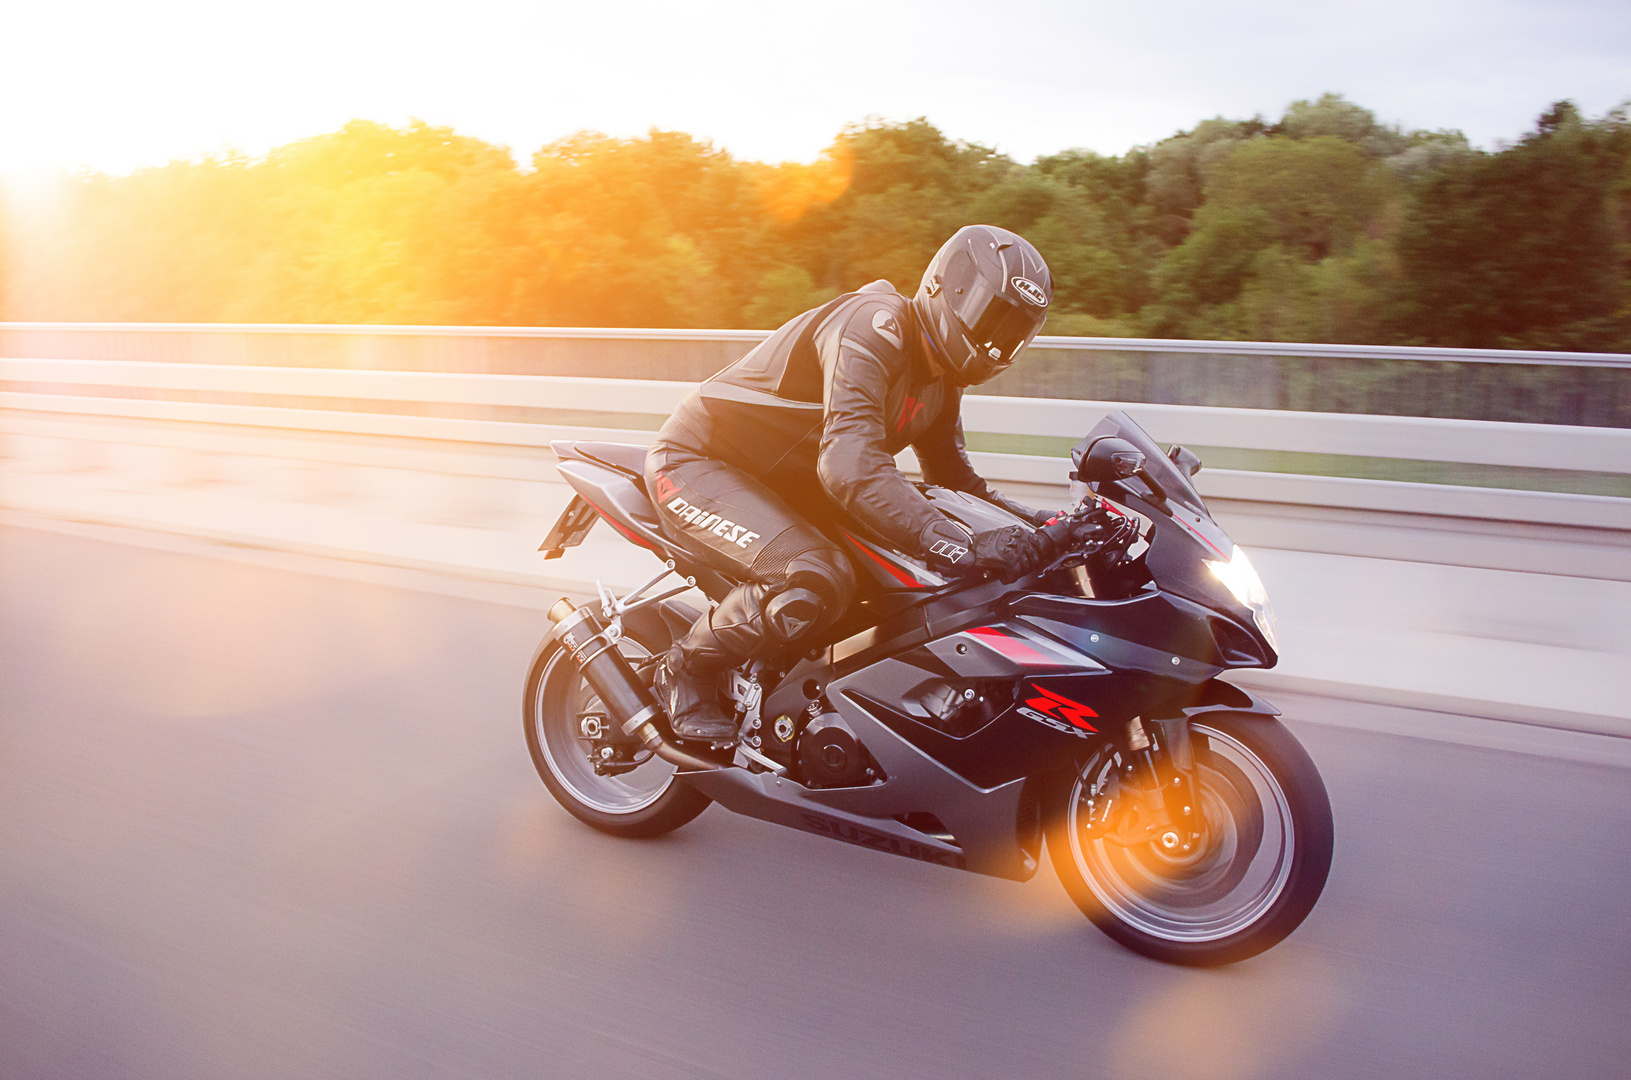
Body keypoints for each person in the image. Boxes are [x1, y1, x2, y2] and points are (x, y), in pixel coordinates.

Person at [645, 224, 1068, 740]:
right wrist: (965, 547)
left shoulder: (941, 382)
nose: (994, 342)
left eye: (1011, 333)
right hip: (698, 462)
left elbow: (958, 484)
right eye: (989, 317)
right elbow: (850, 466)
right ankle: (685, 668)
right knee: (817, 577)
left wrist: (1048, 525)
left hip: (792, 485)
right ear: (946, 287)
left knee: (898, 582)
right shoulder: (875, 326)